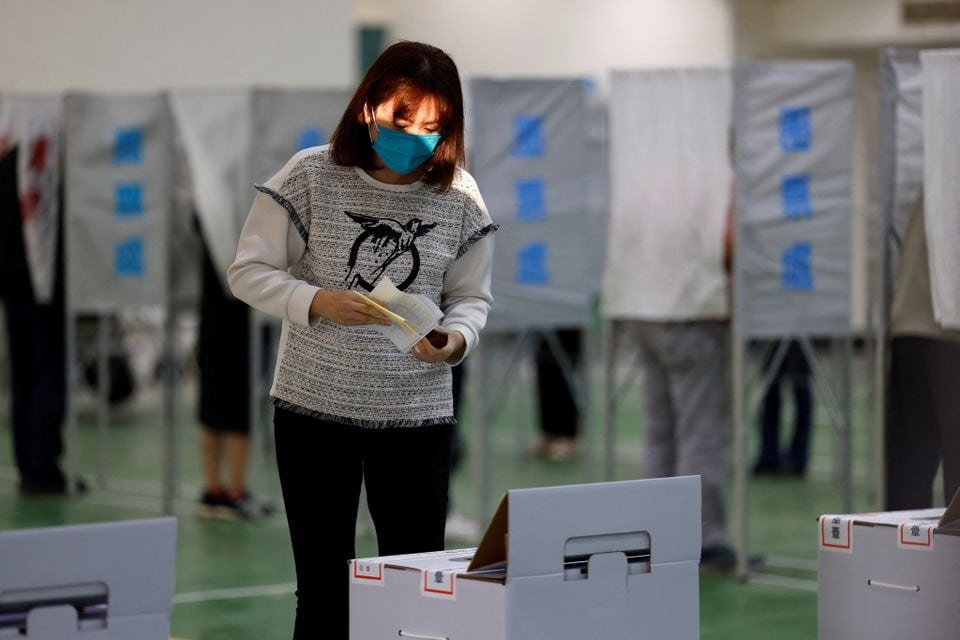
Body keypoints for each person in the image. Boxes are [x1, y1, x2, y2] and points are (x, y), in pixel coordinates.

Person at [227, 41, 496, 639]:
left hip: (417, 418)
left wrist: (455, 341)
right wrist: (317, 301)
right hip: (314, 413)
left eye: (433, 125)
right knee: (324, 592)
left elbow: (472, 299)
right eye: (403, 117)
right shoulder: (310, 175)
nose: (415, 136)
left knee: (416, 595)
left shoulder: (459, 198)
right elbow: (248, 270)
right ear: (368, 105)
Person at [0, 145, 83, 496]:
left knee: (23, 373)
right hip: (43, 283)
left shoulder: (7, 163)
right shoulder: (45, 167)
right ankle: (44, 467)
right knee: (49, 371)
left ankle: (27, 464)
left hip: (11, 281)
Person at [886, 193, 960, 510]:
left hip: (909, 325)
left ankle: (897, 560)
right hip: (948, 334)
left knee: (906, 485)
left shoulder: (939, 170)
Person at [194, 234, 270, 520]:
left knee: (212, 405)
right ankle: (235, 492)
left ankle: (213, 490)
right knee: (239, 407)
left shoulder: (210, 226)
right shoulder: (247, 239)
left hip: (211, 323)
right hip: (241, 324)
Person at [753, 339, 813, 477]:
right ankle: (769, 455)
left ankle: (797, 458)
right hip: (772, 331)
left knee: (801, 385)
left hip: (800, 330)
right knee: (771, 389)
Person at [527, 328, 582, 461]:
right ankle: (549, 432)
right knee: (543, 362)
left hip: (571, 317)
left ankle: (568, 436)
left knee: (564, 366)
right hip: (544, 317)